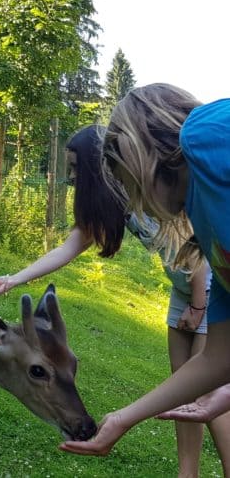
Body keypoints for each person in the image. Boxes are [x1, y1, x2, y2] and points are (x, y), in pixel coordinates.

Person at [0, 125, 230, 475]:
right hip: (182, 292)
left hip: (210, 289)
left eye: (76, 168)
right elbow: (67, 249)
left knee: (207, 394)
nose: (71, 177)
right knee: (183, 394)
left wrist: (199, 305)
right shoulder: (117, 201)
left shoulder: (153, 188)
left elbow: (196, 245)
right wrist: (12, 280)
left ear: (100, 164)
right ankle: (187, 473)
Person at [59, 84, 230, 461]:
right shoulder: (209, 236)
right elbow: (219, 358)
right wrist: (122, 419)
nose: (132, 199)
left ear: (133, 151)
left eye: (124, 180)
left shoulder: (204, 134)